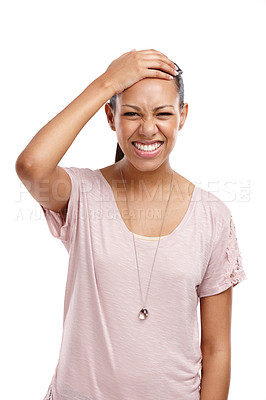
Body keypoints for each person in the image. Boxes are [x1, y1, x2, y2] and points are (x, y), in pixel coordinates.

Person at [15, 49, 247, 400]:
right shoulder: (82, 194)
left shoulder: (212, 217)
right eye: (132, 114)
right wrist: (107, 82)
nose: (148, 128)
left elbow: (216, 349)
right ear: (111, 117)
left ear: (182, 116)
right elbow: (32, 165)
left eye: (163, 113)